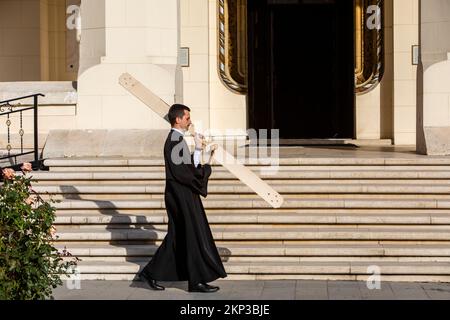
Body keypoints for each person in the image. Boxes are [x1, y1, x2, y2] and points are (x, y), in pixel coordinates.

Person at [139, 104, 227, 293]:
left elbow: (186, 168)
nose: (190, 121)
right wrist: (206, 169)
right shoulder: (174, 141)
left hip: (182, 194)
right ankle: (194, 281)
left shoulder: (177, 140)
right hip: (180, 195)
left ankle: (153, 273)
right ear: (178, 119)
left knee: (180, 236)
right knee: (189, 235)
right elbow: (184, 174)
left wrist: (197, 149)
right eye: (187, 118)